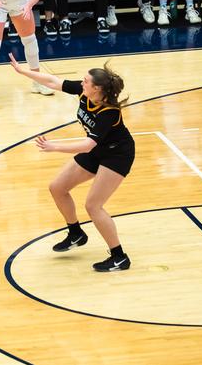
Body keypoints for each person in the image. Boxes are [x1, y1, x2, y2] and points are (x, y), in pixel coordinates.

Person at [9, 54, 134, 272]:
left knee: (93, 206)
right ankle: (76, 233)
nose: (81, 82)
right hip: (98, 150)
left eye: (85, 81)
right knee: (57, 188)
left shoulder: (109, 113)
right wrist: (23, 71)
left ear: (97, 89)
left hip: (117, 155)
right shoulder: (85, 93)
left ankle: (119, 257)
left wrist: (53, 146)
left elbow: (87, 145)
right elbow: (53, 82)